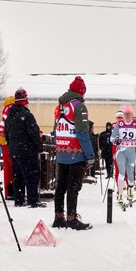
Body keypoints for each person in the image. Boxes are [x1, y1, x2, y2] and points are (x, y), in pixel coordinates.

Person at [53, 76, 94, 230]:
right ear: (81, 92)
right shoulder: (79, 106)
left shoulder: (59, 106)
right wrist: (90, 155)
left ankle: (58, 217)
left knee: (61, 186)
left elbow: (56, 130)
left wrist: (60, 147)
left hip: (62, 151)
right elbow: (82, 134)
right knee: (73, 187)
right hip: (76, 153)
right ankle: (72, 218)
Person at [4, 89, 45, 207]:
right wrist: (39, 146)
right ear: (25, 101)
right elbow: (34, 133)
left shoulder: (9, 117)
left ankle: (19, 200)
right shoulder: (27, 115)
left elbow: (7, 134)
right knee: (31, 176)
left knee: (18, 177)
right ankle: (33, 200)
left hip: (14, 151)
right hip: (27, 151)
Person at [112, 105, 136, 206]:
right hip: (121, 151)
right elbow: (112, 138)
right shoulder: (119, 124)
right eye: (125, 114)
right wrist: (115, 140)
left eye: (129, 114)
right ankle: (120, 194)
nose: (127, 116)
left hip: (131, 152)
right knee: (122, 172)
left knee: (130, 173)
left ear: (132, 114)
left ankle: (130, 191)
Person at [0, 96, 16, 199]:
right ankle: (12, 191)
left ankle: (8, 192)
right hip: (8, 141)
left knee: (7, 167)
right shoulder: (11, 109)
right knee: (12, 166)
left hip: (3, 140)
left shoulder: (6, 108)